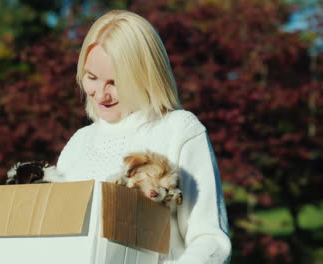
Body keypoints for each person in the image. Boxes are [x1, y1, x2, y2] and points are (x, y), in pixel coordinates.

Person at [56, 10, 231, 264]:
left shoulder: (180, 130)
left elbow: (211, 241)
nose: (100, 94)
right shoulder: (77, 144)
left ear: (145, 77)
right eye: (91, 77)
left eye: (115, 82)